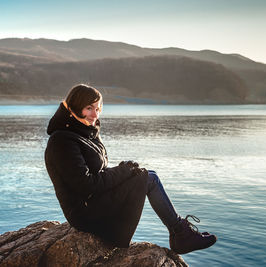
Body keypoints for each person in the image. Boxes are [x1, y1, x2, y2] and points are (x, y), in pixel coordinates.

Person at [44, 84, 217, 253]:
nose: (95, 115)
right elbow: (86, 184)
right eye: (89, 108)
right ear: (74, 106)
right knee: (149, 179)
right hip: (85, 213)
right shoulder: (62, 141)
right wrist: (122, 171)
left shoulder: (82, 132)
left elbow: (97, 173)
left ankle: (179, 233)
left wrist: (124, 170)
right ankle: (181, 235)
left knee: (148, 175)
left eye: (98, 108)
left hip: (94, 201)